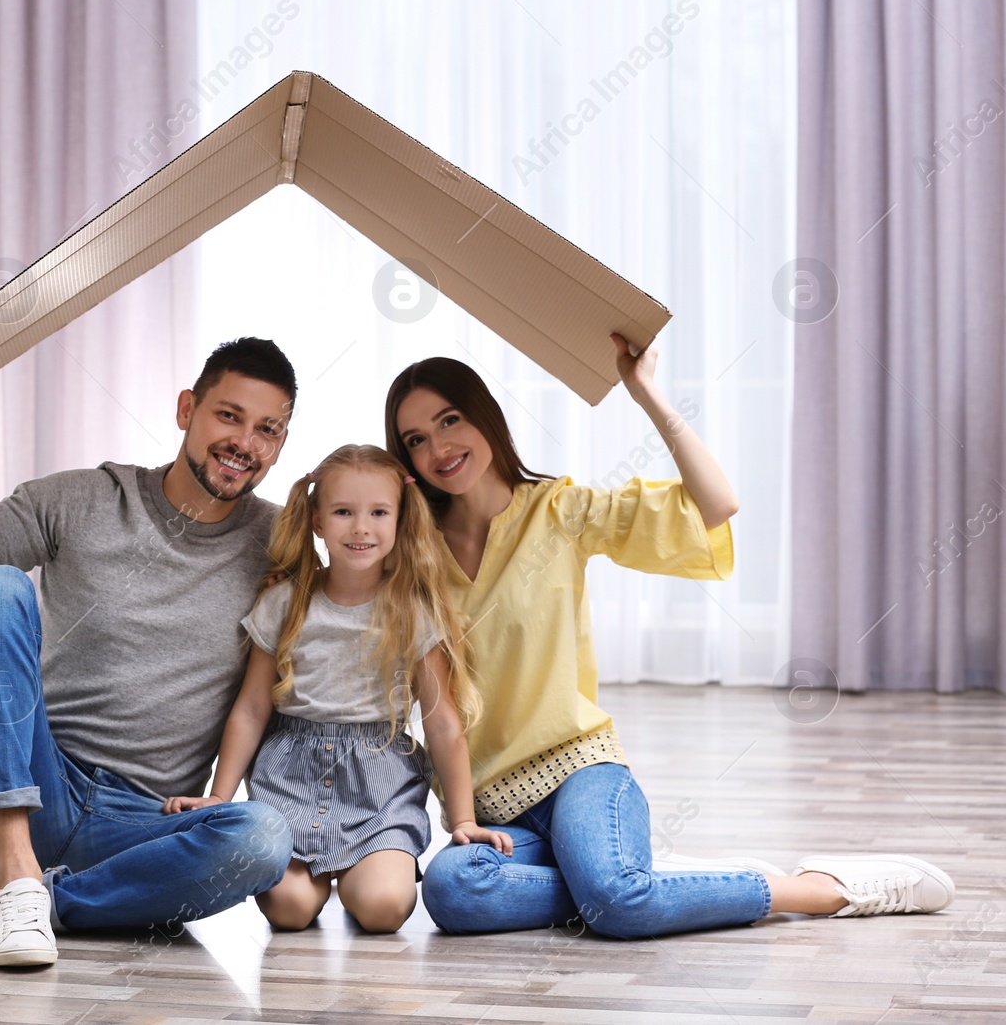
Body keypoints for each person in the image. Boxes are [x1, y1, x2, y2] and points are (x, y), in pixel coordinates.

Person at [383, 335, 955, 939]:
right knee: (452, 889)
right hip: (494, 810)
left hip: (580, 772)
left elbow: (714, 505)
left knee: (617, 907)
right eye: (416, 440)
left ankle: (821, 890)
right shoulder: (412, 555)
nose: (439, 447)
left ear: (486, 418)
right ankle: (624, 877)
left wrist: (648, 394)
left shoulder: (559, 511)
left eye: (450, 420)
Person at [0, 329, 299, 967]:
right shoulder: (83, 500)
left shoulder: (280, 545)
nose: (244, 443)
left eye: (268, 430)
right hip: (26, 786)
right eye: (228, 415)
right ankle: (14, 867)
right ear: (186, 410)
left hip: (143, 826)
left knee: (263, 837)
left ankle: (9, 902)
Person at [165, 444, 514, 934]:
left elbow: (442, 722)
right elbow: (250, 708)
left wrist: (462, 820)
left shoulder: (413, 612)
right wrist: (219, 797)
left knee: (384, 908)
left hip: (380, 787)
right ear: (317, 520)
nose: (361, 527)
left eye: (378, 513)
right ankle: (317, 880)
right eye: (344, 512)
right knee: (288, 910)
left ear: (399, 519)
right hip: (289, 777)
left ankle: (361, 873)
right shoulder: (284, 603)